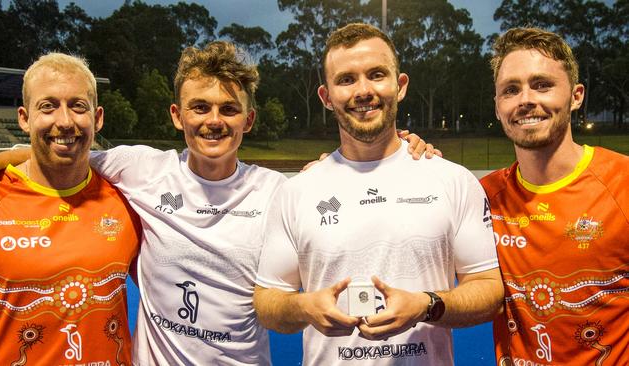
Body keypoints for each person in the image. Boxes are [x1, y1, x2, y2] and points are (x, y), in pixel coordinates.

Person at [0, 41, 436, 364]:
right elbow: (65, 144)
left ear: (248, 120)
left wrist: (406, 147)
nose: (213, 121)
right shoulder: (140, 169)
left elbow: (353, 176)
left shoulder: (281, 191)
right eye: (200, 107)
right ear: (177, 116)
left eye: (228, 110)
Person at [253, 23, 503, 365]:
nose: (363, 90)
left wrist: (426, 305)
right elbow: (268, 303)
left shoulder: (452, 181)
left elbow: (489, 289)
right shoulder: (297, 192)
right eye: (346, 80)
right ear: (326, 97)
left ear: (399, 86)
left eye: (376, 74)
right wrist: (303, 306)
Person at [0, 53, 141, 364]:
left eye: (78, 106)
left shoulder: (127, 198)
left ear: (97, 118)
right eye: (48, 106)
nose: (64, 121)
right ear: (24, 118)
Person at [481, 27, 629, 365]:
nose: (526, 99)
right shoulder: (482, 196)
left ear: (576, 95)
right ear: (497, 105)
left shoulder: (623, 184)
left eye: (542, 85)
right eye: (511, 89)